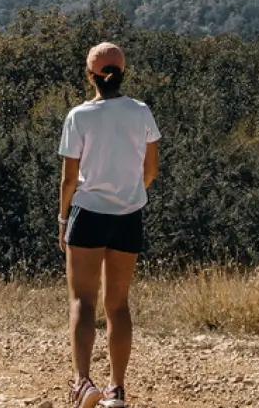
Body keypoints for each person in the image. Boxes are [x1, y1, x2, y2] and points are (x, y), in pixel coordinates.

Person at [58, 41, 160, 408]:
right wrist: (130, 192)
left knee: (82, 301)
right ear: (123, 72)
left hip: (88, 213)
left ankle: (83, 383)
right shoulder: (141, 112)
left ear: (90, 76)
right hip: (128, 215)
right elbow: (151, 169)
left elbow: (69, 179)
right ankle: (116, 389)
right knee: (118, 304)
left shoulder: (79, 116)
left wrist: (63, 219)